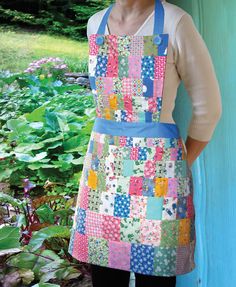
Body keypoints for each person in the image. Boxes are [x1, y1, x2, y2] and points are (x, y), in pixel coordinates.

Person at [68, 1, 222, 286]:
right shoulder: (95, 24)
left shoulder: (175, 23)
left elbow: (209, 109)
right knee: (105, 275)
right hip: (104, 178)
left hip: (158, 181)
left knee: (155, 278)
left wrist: (181, 165)